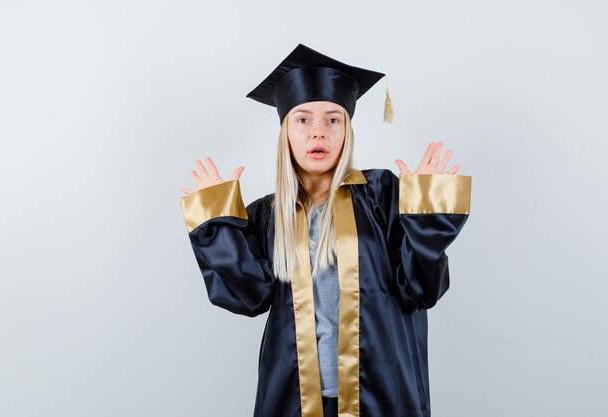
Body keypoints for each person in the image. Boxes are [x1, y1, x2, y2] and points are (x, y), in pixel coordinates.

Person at [179, 44, 471, 417]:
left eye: (333, 119)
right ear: (285, 131)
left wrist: (426, 214)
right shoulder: (269, 216)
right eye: (303, 119)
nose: (319, 132)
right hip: (295, 398)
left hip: (380, 394)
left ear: (347, 129)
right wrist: (217, 223)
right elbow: (248, 297)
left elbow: (420, 288)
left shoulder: (383, 195)